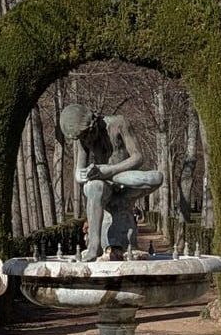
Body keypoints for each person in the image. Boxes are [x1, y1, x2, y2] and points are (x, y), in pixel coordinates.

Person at [58, 103, 163, 261]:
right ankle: (94, 246)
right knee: (95, 186)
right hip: (103, 185)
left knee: (156, 178)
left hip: (125, 179)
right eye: (82, 137)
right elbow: (79, 173)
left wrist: (108, 171)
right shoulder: (82, 140)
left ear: (93, 121)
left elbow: (138, 157)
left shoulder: (119, 123)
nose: (87, 139)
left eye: (87, 134)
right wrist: (86, 174)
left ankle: (108, 177)